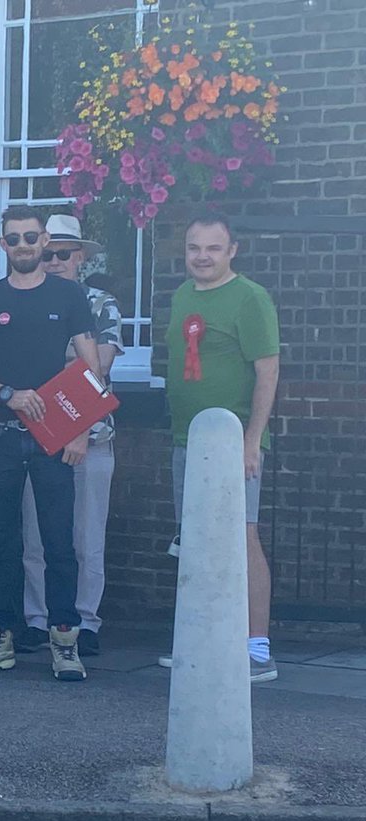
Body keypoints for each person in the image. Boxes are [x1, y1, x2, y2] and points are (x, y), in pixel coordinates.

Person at [0, 205, 101, 683]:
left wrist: (82, 429)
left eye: (31, 238)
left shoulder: (69, 293)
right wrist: (5, 393)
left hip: (57, 437)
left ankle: (65, 643)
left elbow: (91, 367)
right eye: (13, 239)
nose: (23, 247)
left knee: (60, 543)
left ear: (44, 242)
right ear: (3, 246)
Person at [162, 212, 280, 683]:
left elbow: (268, 371)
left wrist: (252, 440)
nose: (202, 256)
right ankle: (206, 643)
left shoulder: (250, 298)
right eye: (194, 247)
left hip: (233, 443)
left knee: (241, 537)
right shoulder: (182, 296)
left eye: (213, 248)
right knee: (195, 543)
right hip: (186, 439)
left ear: (232, 250)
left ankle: (256, 649)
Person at [18, 214, 123, 657]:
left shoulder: (102, 303)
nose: (55, 260)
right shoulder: (24, 299)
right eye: (48, 252)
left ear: (80, 257)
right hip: (37, 434)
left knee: (86, 536)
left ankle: (85, 620)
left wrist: (61, 376)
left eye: (64, 253)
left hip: (90, 437)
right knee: (36, 537)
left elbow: (97, 367)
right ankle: (38, 619)